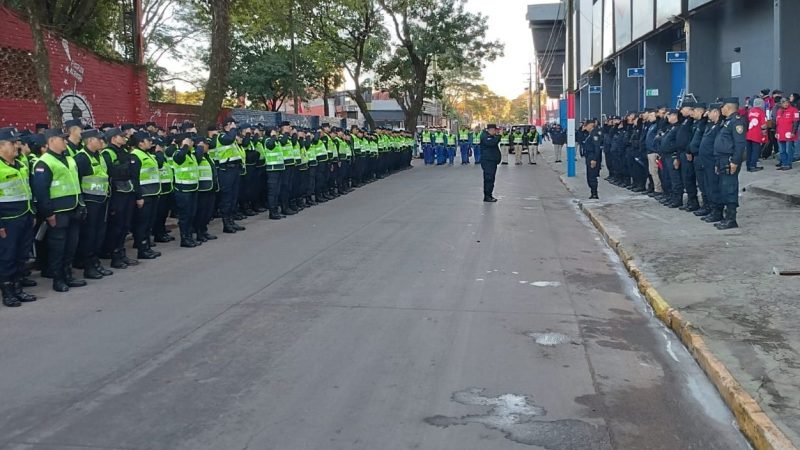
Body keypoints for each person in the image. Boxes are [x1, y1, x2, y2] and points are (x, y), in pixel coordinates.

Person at [32, 128, 87, 292]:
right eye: (61, 138)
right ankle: (58, 279)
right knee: (58, 247)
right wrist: (49, 214)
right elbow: (41, 192)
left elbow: (76, 183)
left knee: (71, 246)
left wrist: (81, 203)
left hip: (74, 208)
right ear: (51, 141)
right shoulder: (44, 162)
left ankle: (68, 275)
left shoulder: (69, 159)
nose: (65, 141)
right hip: (58, 212)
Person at [0, 128, 36, 306]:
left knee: (22, 254)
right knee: (8, 256)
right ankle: (7, 292)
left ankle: (18, 288)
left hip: (25, 216)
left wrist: (32, 212)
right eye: (12, 143)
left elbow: (27, 190)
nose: (17, 146)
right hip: (8, 220)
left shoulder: (20, 165)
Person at [73, 128, 113, 279]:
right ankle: (88, 266)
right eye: (98, 139)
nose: (101, 142)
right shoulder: (81, 158)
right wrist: (81, 203)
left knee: (98, 234)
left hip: (101, 200)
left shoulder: (100, 156)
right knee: (89, 235)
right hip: (90, 202)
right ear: (90, 141)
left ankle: (95, 262)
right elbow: (77, 182)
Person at [101, 128, 139, 269]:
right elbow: (110, 173)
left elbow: (131, 171)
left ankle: (122, 254)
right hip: (116, 194)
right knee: (116, 227)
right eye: (121, 136)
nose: (124, 138)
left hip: (127, 191)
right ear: (113, 138)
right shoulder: (107, 153)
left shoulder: (124, 151)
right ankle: (115, 256)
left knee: (124, 226)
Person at [713, 98, 747, 230]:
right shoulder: (727, 121)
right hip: (721, 159)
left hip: (729, 160)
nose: (721, 110)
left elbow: (740, 144)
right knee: (723, 188)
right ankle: (726, 217)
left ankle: (731, 219)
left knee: (730, 188)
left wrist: (735, 161)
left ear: (728, 107)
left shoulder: (737, 121)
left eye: (722, 107)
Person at [129, 132, 162, 259]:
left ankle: (147, 247)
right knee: (142, 223)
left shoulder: (147, 154)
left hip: (153, 192)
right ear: (140, 143)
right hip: (144, 194)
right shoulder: (135, 156)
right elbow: (135, 179)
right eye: (147, 140)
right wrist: (139, 197)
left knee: (149, 223)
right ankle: (142, 249)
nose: (150, 142)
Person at [697, 103, 724, 223]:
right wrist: (704, 119)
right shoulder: (711, 125)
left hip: (713, 161)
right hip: (706, 161)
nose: (708, 114)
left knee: (714, 187)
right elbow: (702, 129)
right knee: (707, 186)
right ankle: (712, 209)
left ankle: (717, 211)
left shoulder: (720, 126)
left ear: (716, 112)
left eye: (710, 112)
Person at [775, 97, 799, 170]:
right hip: (780, 134)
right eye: (783, 102)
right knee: (782, 150)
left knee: (788, 150)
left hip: (789, 134)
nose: (785, 104)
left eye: (787, 102)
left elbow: (796, 122)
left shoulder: (794, 110)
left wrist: (793, 132)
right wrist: (776, 132)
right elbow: (777, 123)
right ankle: (784, 164)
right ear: (781, 103)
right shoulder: (779, 111)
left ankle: (788, 164)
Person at [479, 124, 501, 202]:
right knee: (489, 178)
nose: (496, 132)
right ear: (490, 130)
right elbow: (491, 143)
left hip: (492, 161)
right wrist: (498, 137)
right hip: (488, 161)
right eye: (495, 130)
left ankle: (489, 195)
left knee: (491, 179)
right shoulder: (485, 136)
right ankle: (487, 196)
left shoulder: (490, 136)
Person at [745, 97, 767, 172]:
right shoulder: (761, 112)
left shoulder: (750, 111)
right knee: (755, 151)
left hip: (748, 134)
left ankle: (748, 166)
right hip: (756, 134)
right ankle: (753, 166)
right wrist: (764, 133)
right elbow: (763, 125)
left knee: (749, 151)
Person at [582, 119, 601, 199]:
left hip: (592, 157)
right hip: (589, 156)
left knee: (592, 176)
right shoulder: (590, 134)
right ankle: (592, 192)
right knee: (589, 175)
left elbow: (596, 148)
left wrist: (594, 159)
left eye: (586, 126)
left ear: (590, 125)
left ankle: (594, 193)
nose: (585, 127)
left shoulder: (594, 134)